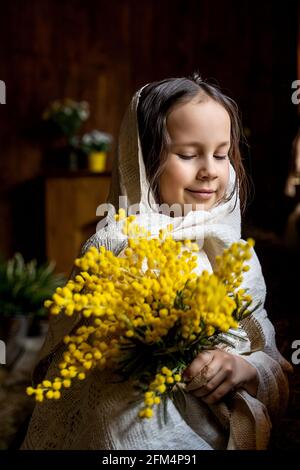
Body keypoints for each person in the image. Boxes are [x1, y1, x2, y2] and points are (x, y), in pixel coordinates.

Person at [21, 73, 292, 450]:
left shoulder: (233, 250)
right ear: (144, 161)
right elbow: (101, 386)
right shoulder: (117, 247)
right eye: (187, 154)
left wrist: (245, 369)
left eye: (221, 154)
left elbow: (270, 358)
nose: (210, 170)